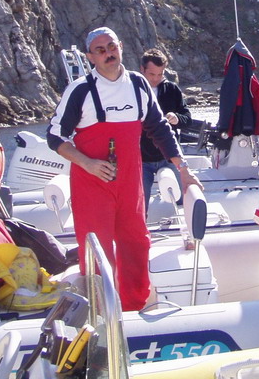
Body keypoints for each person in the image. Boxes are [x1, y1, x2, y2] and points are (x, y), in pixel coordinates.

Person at [46, 27, 202, 311]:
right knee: (96, 251)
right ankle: (101, 313)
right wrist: (87, 163)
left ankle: (134, 308)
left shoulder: (138, 84)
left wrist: (183, 168)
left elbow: (159, 128)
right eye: (100, 50)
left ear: (120, 46)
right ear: (90, 57)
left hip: (130, 183)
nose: (108, 54)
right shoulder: (80, 90)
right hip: (92, 185)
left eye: (111, 47)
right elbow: (55, 136)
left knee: (137, 244)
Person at [139, 48, 192, 213]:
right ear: (142, 70)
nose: (156, 79)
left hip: (170, 157)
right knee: (139, 205)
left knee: (183, 199)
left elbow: (187, 119)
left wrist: (177, 118)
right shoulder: (133, 91)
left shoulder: (172, 90)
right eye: (151, 74)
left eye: (160, 74)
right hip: (141, 158)